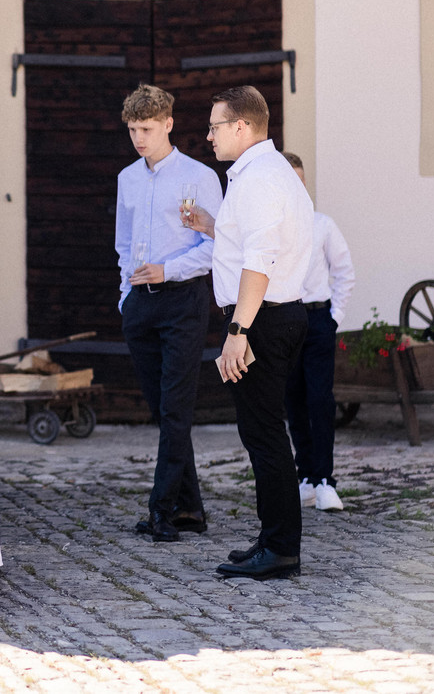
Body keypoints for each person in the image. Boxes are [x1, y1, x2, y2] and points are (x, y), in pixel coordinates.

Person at [182, 85, 313, 580]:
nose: (209, 136)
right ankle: (272, 538)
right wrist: (216, 227)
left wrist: (238, 329)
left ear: (242, 126)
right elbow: (254, 242)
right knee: (261, 432)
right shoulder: (268, 173)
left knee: (264, 435)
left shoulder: (258, 179)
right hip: (275, 314)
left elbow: (261, 262)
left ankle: (280, 550)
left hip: (262, 318)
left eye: (215, 126)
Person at [113, 85, 224, 543]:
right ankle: (191, 509)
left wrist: (169, 269)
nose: (139, 138)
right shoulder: (128, 178)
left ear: (168, 125)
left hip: (184, 300)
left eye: (147, 129)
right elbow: (123, 243)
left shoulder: (201, 177)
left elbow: (218, 247)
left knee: (176, 408)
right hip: (141, 303)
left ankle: (161, 511)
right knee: (164, 410)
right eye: (133, 130)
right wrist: (125, 296)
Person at [281, 152, 354, 513]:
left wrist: (334, 317)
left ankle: (326, 480)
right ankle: (306, 477)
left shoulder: (322, 224)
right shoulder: (273, 228)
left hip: (318, 320)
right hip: (285, 321)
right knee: (293, 398)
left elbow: (344, 272)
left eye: (299, 179)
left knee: (320, 400)